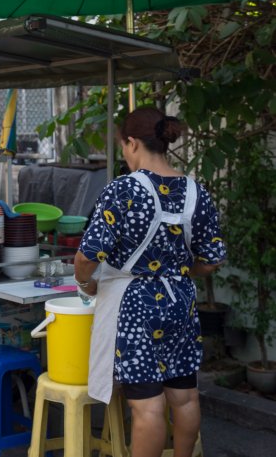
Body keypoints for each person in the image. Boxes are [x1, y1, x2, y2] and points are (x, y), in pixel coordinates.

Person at [74, 107, 226, 457]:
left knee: (147, 407)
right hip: (181, 302)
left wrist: (85, 284)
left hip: (135, 307)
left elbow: (87, 256)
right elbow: (213, 259)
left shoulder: (124, 190)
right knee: (185, 397)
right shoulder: (194, 192)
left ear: (131, 143)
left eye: (123, 147)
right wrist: (181, 272)